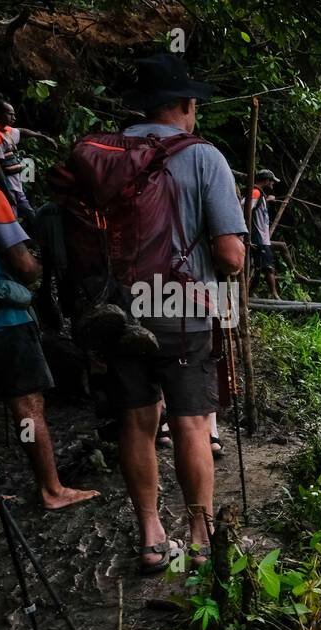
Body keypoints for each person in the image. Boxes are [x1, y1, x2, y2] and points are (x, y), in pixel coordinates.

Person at [85, 54, 247, 572]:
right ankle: (199, 538)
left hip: (117, 311)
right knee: (193, 424)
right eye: (193, 103)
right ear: (183, 105)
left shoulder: (105, 154)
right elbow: (230, 254)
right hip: (180, 311)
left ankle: (153, 539)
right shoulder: (204, 158)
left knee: (136, 422)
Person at [0, 134, 98, 518]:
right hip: (4, 322)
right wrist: (34, 270)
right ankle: (50, 487)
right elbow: (25, 266)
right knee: (27, 407)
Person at [0, 100, 46, 220]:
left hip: (16, 185)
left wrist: (42, 136)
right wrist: (6, 192)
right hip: (7, 186)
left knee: (30, 216)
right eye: (10, 114)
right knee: (12, 217)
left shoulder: (6, 131)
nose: (14, 118)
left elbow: (21, 131)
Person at [249, 168, 279, 299]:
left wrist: (266, 201)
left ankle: (251, 293)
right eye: (271, 182)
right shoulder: (255, 192)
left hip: (262, 237)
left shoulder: (260, 194)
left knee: (259, 267)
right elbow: (245, 206)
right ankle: (274, 294)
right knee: (268, 267)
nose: (272, 185)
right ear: (266, 181)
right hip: (259, 237)